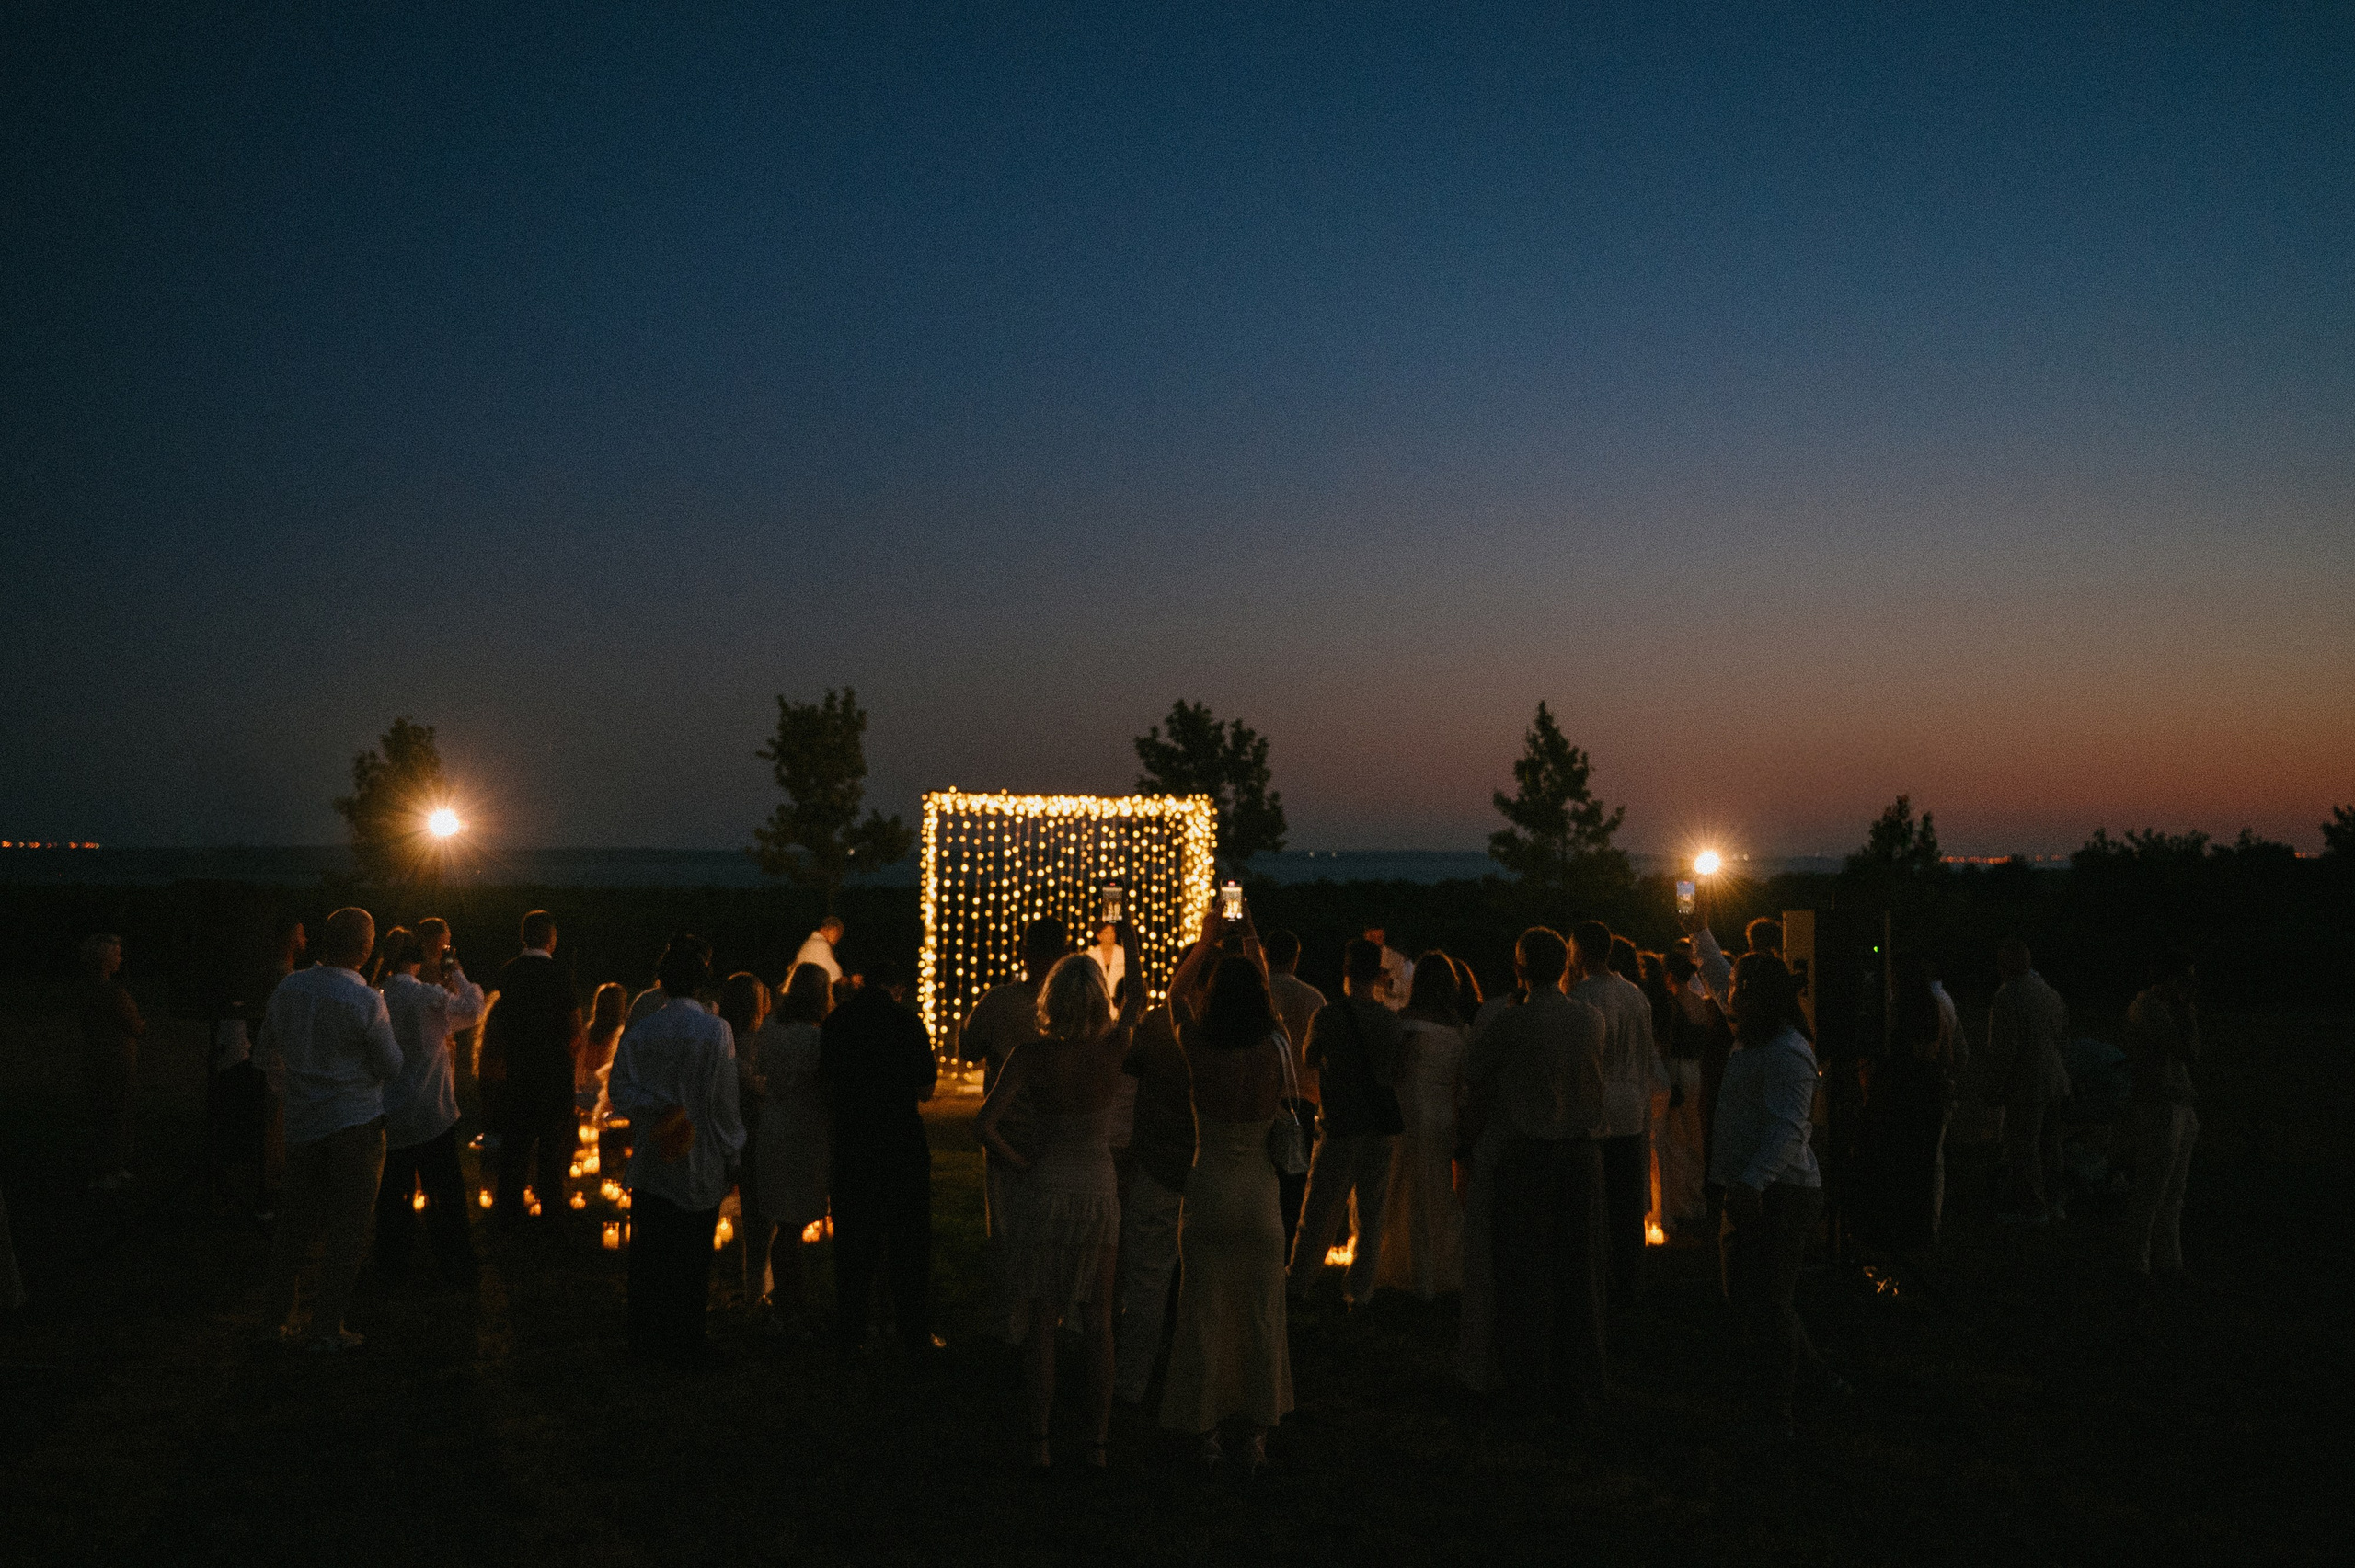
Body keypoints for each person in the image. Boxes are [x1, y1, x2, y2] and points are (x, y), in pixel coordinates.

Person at [976, 956, 1129, 1470]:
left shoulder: (1030, 1056)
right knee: (1099, 1318)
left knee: (1042, 1318)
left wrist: (1018, 1162)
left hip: (1048, 1185)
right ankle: (1099, 1443)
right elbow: (1145, 997)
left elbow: (985, 1124)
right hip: (1098, 1190)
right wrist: (1125, 926)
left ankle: (1041, 1441)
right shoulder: (1113, 1048)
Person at [1159, 904, 1293, 1473]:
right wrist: (1251, 937)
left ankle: (1208, 1431)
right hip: (1260, 1198)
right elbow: (1260, 982)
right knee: (1262, 1311)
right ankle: (1256, 1436)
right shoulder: (1276, 1043)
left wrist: (1204, 941)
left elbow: (1172, 996)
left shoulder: (1196, 1044)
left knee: (1204, 1313)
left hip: (1209, 1191)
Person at [1461, 926, 1609, 1422]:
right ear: (1565, 966)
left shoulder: (1511, 1023)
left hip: (1528, 1156)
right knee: (1577, 1270)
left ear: (1520, 969)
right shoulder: (1591, 1018)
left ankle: (1527, 1378)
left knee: (1524, 1273)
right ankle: (1580, 1377)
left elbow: (1475, 1075)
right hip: (1582, 1156)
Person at [258, 907, 402, 1351]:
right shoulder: (366, 1001)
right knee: (349, 1227)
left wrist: (297, 1090)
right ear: (364, 948)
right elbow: (392, 1065)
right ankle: (326, 1327)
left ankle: (276, 1320)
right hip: (355, 1126)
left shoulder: (289, 987)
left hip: (303, 1126)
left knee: (294, 1225)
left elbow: (266, 1053)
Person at [1713, 953, 1843, 1439]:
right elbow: (1714, 969)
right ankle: (1818, 1382)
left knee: (1767, 1304)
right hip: (1751, 1189)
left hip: (1778, 1195)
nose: (1727, 993)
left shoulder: (1786, 1050)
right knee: (1753, 1300)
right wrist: (1698, 930)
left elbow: (1790, 1126)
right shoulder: (1752, 1038)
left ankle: (1775, 1417)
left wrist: (1752, 1183)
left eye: (1735, 986)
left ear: (1753, 992)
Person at [608, 935, 746, 1365]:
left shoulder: (644, 1028)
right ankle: (686, 1340)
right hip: (700, 1157)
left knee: (651, 1256)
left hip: (651, 1159)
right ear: (702, 983)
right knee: (691, 1256)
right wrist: (733, 1151)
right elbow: (724, 1102)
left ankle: (647, 1339)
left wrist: (655, 1107)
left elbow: (619, 1091)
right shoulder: (715, 1030)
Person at [821, 955, 938, 1352]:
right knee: (908, 1242)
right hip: (900, 1141)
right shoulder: (907, 1022)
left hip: (854, 1141)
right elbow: (925, 1089)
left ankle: (852, 1330)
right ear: (898, 989)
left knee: (853, 1242)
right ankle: (912, 1332)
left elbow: (825, 1083)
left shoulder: (838, 1021)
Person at [1289, 937, 1405, 1306]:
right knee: (1372, 1216)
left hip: (1339, 1125)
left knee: (1318, 1213)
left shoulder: (1328, 1016)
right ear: (1378, 976)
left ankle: (1297, 1286)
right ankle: (1360, 1293)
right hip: (1378, 1128)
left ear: (1346, 972)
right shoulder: (1390, 1021)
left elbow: (1309, 1058)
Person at [372, 924, 486, 1283]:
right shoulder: (428, 996)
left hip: (390, 1109)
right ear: (416, 961)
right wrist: (455, 970)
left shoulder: (377, 996)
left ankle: (393, 1262)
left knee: (392, 1193)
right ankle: (453, 1263)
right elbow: (473, 1009)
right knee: (445, 1191)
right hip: (431, 1110)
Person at [1570, 921, 1664, 1307]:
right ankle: (1631, 1283)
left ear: (1579, 952)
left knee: (1595, 1202)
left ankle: (1599, 1282)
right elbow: (1645, 1054)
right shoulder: (1635, 995)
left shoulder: (1581, 995)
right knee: (1626, 1204)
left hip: (1597, 1110)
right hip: (1632, 1107)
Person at [1111, 990, 1194, 1409]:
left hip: (1160, 1164)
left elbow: (1128, 1086)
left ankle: (1130, 1385)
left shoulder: (1161, 1025)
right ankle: (1197, 1387)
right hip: (1215, 1173)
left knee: (1147, 1282)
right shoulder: (1237, 1026)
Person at [1375, 954, 1467, 1299]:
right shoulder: (1459, 1031)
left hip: (1405, 1112)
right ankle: (1436, 1270)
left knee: (1399, 1186)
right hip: (1441, 1115)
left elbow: (1390, 1072)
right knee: (1437, 1188)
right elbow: (1461, 1083)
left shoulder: (1401, 1024)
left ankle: (1397, 1266)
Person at [484, 910, 582, 1231]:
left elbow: (501, 1021)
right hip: (553, 1073)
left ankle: (509, 1215)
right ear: (551, 938)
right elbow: (574, 1025)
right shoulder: (560, 973)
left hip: (519, 1071)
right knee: (552, 1151)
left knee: (516, 1148)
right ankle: (552, 1217)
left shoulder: (508, 972)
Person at [752, 963, 834, 1323]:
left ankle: (786, 1295)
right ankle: (790, 1302)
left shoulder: (771, 1028)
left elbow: (764, 1068)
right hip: (804, 1126)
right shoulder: (818, 1037)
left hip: (774, 1123)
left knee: (785, 1217)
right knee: (792, 1220)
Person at [1857, 954, 1948, 1253]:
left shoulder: (1906, 1011)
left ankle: (1900, 1233)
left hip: (1904, 1096)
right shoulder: (1929, 1006)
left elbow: (1914, 1052)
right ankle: (1916, 1233)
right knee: (1917, 1167)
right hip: (1923, 1094)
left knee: (1901, 1165)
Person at [2121, 951, 2200, 1282]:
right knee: (2154, 1189)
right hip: (2160, 1105)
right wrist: (2188, 1014)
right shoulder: (2148, 1008)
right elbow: (2187, 1051)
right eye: (2185, 979)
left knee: (2172, 1191)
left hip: (2176, 1103)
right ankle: (2137, 1263)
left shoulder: (2162, 1008)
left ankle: (2168, 1260)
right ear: (2169, 980)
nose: (2191, 985)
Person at [1988, 938, 2072, 1224]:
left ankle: (2032, 1208)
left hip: (2026, 1084)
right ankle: (2056, 1203)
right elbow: (2062, 1038)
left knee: (2026, 1147)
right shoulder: (2050, 994)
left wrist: (1997, 1086)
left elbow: (2005, 1048)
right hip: (2055, 1080)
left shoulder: (2007, 997)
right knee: (2052, 1145)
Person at [1261, 929, 1326, 1244]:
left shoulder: (1257, 990)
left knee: (1262, 1178)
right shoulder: (1314, 998)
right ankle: (1287, 1250)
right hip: (1303, 1098)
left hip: (1263, 1097)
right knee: (1294, 1184)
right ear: (1296, 959)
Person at [1652, 950, 1714, 1234]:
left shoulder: (1672, 1003)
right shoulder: (1701, 1004)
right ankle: (1696, 1198)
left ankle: (1681, 1205)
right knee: (1694, 1135)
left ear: (1670, 975)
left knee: (1676, 1139)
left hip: (1677, 1071)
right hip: (1696, 1071)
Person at [78, 933, 144, 1191]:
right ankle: (110, 1170)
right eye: (116, 954)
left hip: (96, 1058)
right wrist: (139, 1024)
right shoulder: (112, 992)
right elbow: (135, 1025)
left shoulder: (87, 990)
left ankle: (109, 1167)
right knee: (116, 1115)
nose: (121, 959)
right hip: (116, 1062)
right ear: (105, 960)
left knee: (103, 1115)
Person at [578, 982, 627, 1116]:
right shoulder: (585, 1034)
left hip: (607, 1101)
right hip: (582, 1098)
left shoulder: (623, 1038)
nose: (606, 1009)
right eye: (603, 1004)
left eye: (612, 1005)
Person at [1364, 927, 1413, 1012]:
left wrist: (1390, 982)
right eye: (1372, 937)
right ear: (1365, 937)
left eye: (1379, 937)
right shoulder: (1357, 958)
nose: (1375, 942)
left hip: (1390, 1011)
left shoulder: (1397, 959)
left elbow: (1407, 990)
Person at [796, 916, 846, 990]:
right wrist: (849, 981)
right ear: (833, 929)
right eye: (838, 933)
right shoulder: (820, 944)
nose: (838, 938)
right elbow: (835, 976)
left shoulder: (811, 942)